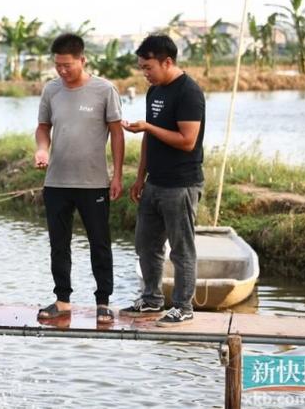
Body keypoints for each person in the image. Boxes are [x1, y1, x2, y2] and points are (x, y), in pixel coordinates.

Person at [34, 33, 124, 324]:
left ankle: (103, 302)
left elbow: (117, 134)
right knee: (59, 245)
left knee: (100, 243)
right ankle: (62, 301)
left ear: (83, 60)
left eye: (68, 65)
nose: (62, 71)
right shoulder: (51, 91)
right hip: (56, 182)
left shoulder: (104, 90)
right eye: (58, 65)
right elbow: (43, 127)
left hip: (94, 183)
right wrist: (42, 149)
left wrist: (118, 175)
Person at [120, 35, 205, 327]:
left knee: (181, 249)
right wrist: (140, 176)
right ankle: (151, 299)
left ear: (167, 61)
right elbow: (149, 137)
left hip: (181, 184)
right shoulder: (154, 91)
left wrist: (148, 127)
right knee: (146, 245)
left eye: (148, 67)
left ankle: (183, 306)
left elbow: (187, 141)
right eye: (142, 68)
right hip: (155, 182)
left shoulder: (189, 92)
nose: (145, 73)